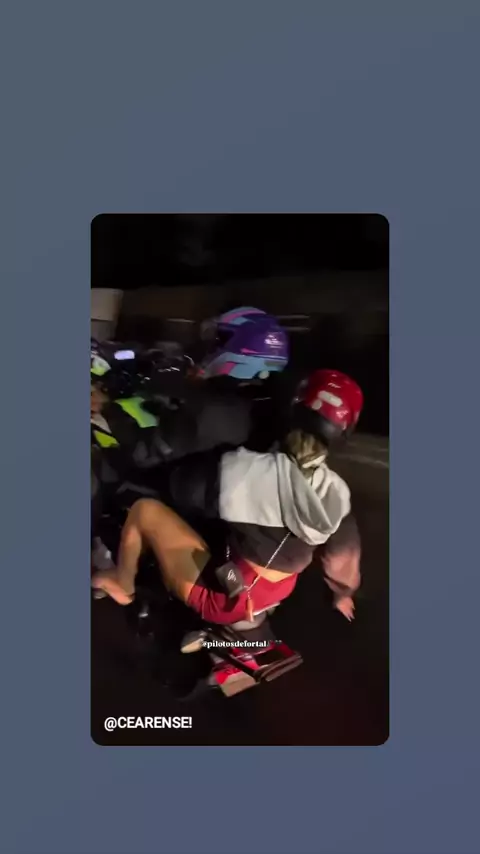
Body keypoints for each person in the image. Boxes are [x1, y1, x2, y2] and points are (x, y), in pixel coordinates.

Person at [92, 369, 363, 624]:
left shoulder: (246, 469)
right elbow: (342, 556)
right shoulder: (335, 491)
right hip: (276, 591)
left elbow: (183, 491)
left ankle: (123, 583)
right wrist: (343, 593)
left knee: (145, 510)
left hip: (228, 596)